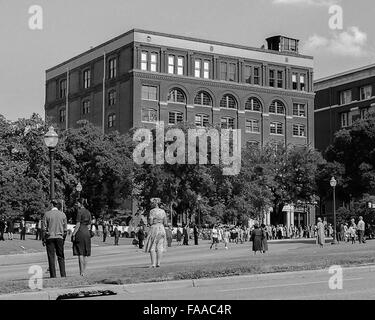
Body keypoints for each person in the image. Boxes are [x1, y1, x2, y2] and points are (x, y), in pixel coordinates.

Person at [43, 199, 67, 278]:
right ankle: (63, 274)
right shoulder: (63, 215)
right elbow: (65, 229)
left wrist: (44, 239)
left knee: (51, 256)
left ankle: (53, 275)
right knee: (61, 256)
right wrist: (63, 239)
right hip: (59, 237)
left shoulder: (47, 214)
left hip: (50, 237)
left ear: (52, 204)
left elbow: (44, 228)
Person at [144, 198, 168, 268]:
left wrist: (151, 222)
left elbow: (151, 222)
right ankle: (158, 263)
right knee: (160, 247)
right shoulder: (163, 211)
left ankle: (153, 263)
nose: (151, 204)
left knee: (152, 247)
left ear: (154, 203)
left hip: (154, 228)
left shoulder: (152, 211)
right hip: (162, 228)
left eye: (151, 203)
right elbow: (165, 222)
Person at [72, 199, 92, 276]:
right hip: (87, 233)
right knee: (85, 253)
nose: (76, 204)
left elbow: (77, 224)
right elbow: (89, 225)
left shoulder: (79, 212)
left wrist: (73, 234)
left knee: (80, 253)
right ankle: (84, 271)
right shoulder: (88, 212)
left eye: (77, 203)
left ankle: (81, 272)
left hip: (80, 232)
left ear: (80, 204)